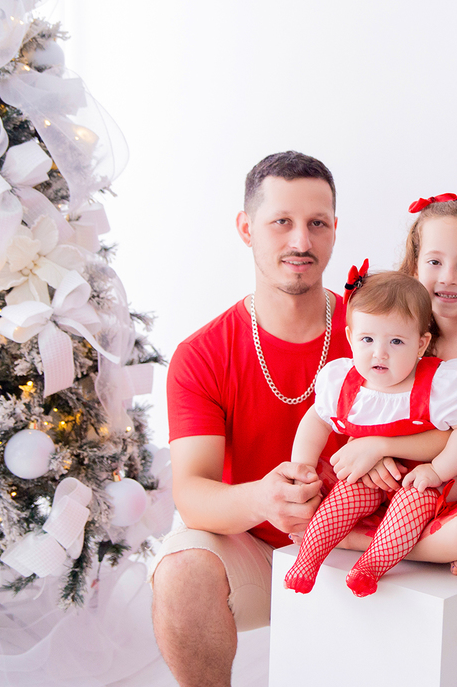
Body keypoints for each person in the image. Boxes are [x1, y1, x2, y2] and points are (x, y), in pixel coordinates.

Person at [150, 152, 351, 687]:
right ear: (247, 229)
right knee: (182, 569)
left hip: (372, 542)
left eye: (317, 224)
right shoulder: (203, 354)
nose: (301, 242)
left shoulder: (379, 326)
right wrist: (265, 499)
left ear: (335, 230)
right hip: (261, 551)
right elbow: (191, 492)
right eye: (281, 222)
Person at [322, 195, 457, 570]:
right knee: (332, 486)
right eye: (435, 262)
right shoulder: (404, 343)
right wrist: (376, 454)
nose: (448, 277)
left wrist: (376, 445)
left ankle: (359, 541)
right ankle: (398, 539)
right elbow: (371, 405)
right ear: (414, 269)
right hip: (405, 484)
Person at [284, 270, 457, 596]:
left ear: (421, 344)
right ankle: (309, 557)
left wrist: (438, 470)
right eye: (367, 340)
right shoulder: (344, 383)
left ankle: (372, 565)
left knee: (412, 503)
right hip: (372, 474)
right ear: (351, 337)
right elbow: (316, 420)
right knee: (346, 492)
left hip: (419, 476)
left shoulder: (437, 385)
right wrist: (302, 467)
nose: (379, 353)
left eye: (395, 341)